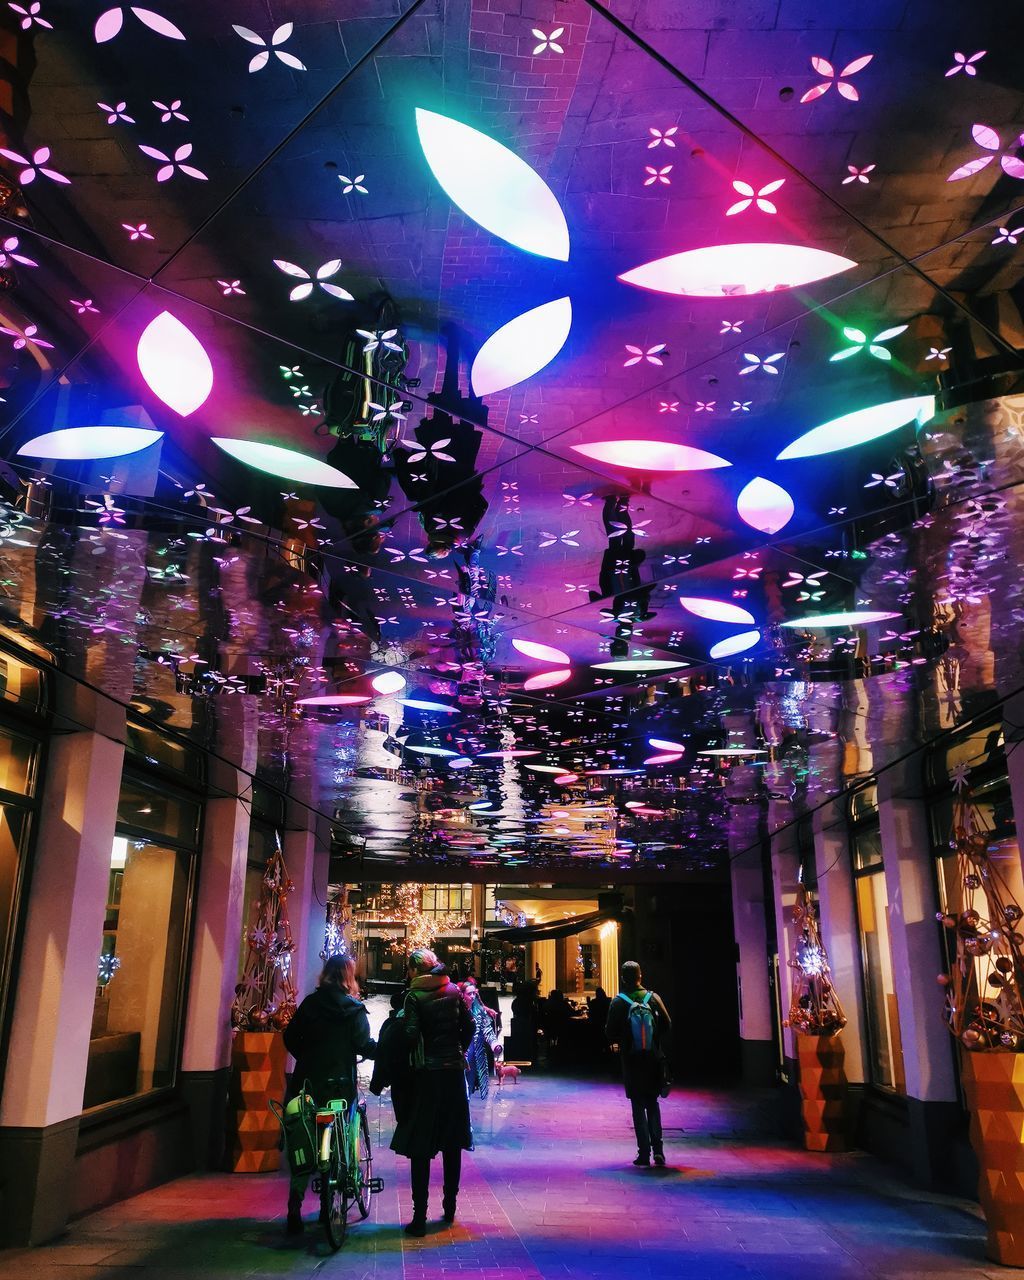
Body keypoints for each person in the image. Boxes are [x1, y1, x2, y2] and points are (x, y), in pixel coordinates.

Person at [281, 955, 376, 1234]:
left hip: (308, 1082)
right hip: (340, 1083)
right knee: (338, 1135)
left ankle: (294, 1207)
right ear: (349, 977)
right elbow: (363, 1044)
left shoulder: (310, 1004)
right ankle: (327, 1207)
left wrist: (307, 1058)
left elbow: (290, 1037)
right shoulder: (354, 1010)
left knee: (305, 1140)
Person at [391, 949, 475, 1235]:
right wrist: (458, 1050)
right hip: (452, 1075)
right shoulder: (453, 990)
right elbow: (470, 1026)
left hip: (426, 1077)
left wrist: (403, 1025)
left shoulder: (413, 997)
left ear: (416, 971)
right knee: (452, 1143)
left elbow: (411, 1034)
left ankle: (419, 1217)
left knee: (420, 1146)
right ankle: (449, 1207)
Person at [605, 960, 671, 1168]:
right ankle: (658, 1150)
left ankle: (644, 1152)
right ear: (640, 976)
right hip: (653, 1058)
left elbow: (609, 1032)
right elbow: (667, 1024)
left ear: (623, 978)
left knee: (637, 1105)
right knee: (653, 1102)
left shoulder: (619, 1002)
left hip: (631, 1059)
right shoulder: (653, 998)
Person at [460, 976, 501, 1098]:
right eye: (469, 994)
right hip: (459, 1054)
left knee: (470, 1087)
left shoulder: (478, 1011)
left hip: (473, 1053)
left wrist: (495, 1044)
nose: (472, 997)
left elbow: (487, 1029)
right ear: (462, 995)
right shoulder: (456, 1011)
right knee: (461, 1089)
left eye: (474, 993)